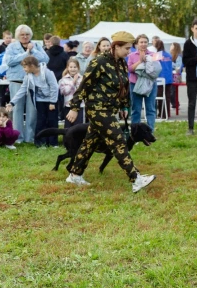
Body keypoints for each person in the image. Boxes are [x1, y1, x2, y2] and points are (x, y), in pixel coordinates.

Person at [65, 31, 156, 191]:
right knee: (118, 139)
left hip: (109, 108)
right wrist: (74, 107)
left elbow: (123, 85)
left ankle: (75, 175)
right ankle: (136, 179)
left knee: (90, 142)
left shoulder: (120, 62)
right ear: (116, 46)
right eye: (127, 48)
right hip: (97, 108)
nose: (129, 51)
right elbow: (84, 85)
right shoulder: (98, 62)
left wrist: (124, 106)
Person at [2, 25, 49, 144]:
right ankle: (17, 137)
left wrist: (33, 51)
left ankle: (30, 137)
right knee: (16, 108)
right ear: (18, 36)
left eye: (27, 34)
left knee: (32, 109)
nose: (25, 36)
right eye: (22, 34)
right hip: (16, 81)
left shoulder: (37, 45)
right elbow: (9, 61)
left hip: (34, 82)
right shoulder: (12, 46)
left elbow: (45, 59)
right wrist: (26, 54)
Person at [7, 56, 58, 147]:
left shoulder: (47, 73)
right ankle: (40, 143)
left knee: (52, 121)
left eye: (25, 67)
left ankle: (53, 143)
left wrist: (52, 102)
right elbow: (22, 90)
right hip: (39, 101)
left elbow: (54, 87)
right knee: (40, 122)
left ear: (32, 66)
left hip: (50, 101)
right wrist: (12, 102)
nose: (23, 69)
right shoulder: (28, 76)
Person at [127, 35, 158, 132]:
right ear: (137, 44)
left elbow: (157, 69)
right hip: (135, 84)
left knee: (151, 109)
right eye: (141, 42)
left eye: (145, 42)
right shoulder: (131, 55)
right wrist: (140, 61)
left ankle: (150, 131)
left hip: (150, 84)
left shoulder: (153, 54)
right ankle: (135, 132)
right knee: (136, 109)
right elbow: (130, 69)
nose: (143, 44)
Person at [46, 36, 70, 120]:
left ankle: (51, 114)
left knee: (50, 98)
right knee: (61, 98)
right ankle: (61, 114)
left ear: (51, 43)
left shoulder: (46, 54)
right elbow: (68, 66)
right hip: (61, 78)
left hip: (49, 79)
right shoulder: (64, 54)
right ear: (60, 43)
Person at [59, 58, 84, 128]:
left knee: (78, 126)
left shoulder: (82, 79)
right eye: (71, 67)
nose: (73, 69)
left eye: (75, 67)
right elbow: (64, 92)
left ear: (78, 68)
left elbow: (83, 91)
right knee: (68, 126)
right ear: (67, 68)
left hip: (80, 106)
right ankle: (67, 139)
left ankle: (78, 139)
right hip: (68, 105)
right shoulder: (64, 79)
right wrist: (73, 82)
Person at [153, 40, 174, 118]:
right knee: (167, 97)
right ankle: (167, 113)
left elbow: (154, 66)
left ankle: (161, 113)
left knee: (160, 97)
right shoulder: (168, 55)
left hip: (160, 78)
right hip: (168, 78)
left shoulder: (156, 55)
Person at [170, 42, 183, 111]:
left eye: (172, 45)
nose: (170, 47)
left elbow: (178, 66)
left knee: (173, 91)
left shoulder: (179, 56)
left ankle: (176, 104)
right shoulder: (171, 55)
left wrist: (170, 63)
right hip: (171, 76)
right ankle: (174, 104)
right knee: (171, 91)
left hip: (176, 77)